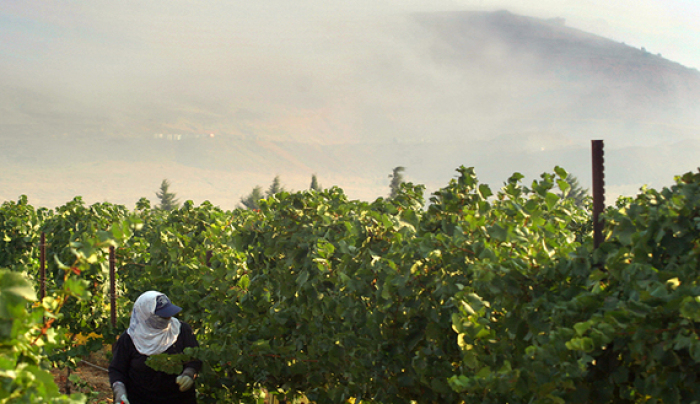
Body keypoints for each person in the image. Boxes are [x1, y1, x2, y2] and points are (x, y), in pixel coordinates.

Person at [109, 291, 202, 404]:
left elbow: (195, 358)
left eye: (169, 314)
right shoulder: (129, 339)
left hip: (179, 399)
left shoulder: (182, 331)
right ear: (146, 316)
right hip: (140, 399)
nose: (168, 318)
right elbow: (117, 370)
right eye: (163, 315)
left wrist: (189, 373)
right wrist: (119, 392)